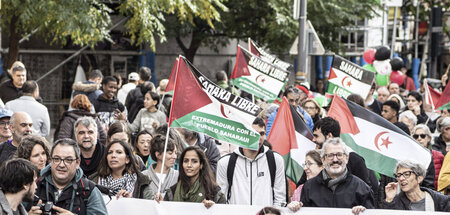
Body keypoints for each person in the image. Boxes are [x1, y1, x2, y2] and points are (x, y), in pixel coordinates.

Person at [216, 117, 286, 206]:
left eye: (261, 134)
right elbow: (222, 200)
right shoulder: (225, 162)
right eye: (253, 133)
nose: (258, 138)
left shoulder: (276, 160)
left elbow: (280, 199)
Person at [300, 138, 375, 214]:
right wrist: (294, 209)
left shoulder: (362, 188)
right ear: (323, 160)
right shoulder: (309, 187)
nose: (335, 160)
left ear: (347, 158)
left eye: (339, 155)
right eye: (330, 155)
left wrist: (364, 212)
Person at [34, 138, 107, 215]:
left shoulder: (89, 190)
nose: (61, 165)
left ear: (78, 163)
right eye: (57, 159)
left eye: (68, 160)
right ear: (51, 161)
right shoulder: (35, 185)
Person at [310, 117, 378, 199]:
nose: (313, 140)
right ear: (323, 160)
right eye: (330, 156)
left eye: (316, 136)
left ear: (329, 136)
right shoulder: (313, 157)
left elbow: (366, 192)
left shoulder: (355, 160)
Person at [380, 160, 450, 211]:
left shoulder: (440, 200)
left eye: (407, 174)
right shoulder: (395, 201)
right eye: (398, 175)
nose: (401, 178)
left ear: (419, 178)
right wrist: (389, 200)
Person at [412, 124, 444, 189]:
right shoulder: (410, 157)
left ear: (429, 138)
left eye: (422, 136)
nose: (419, 138)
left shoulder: (439, 156)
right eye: (416, 136)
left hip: (436, 193)